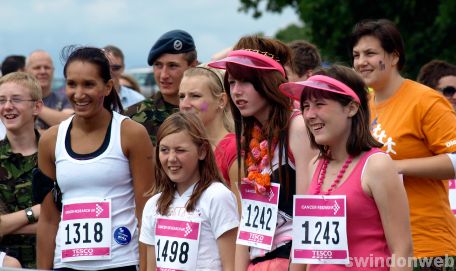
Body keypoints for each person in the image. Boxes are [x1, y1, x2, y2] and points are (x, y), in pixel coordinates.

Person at [280, 65, 412, 271]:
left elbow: (402, 251)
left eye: (319, 104)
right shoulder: (314, 164)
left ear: (351, 108)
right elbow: (302, 246)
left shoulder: (377, 165)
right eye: (305, 106)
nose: (309, 115)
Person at [350, 19, 456, 269]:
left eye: (370, 53)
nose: (360, 61)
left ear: (394, 56)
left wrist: (395, 167)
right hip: (378, 249)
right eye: (356, 55)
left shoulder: (426, 101)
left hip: (427, 248)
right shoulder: (361, 105)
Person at [35, 46, 154, 270]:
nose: (79, 94)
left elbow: (145, 211)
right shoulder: (51, 140)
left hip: (121, 263)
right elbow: (49, 219)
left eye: (88, 84)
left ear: (107, 87)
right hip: (66, 264)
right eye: (72, 84)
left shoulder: (132, 134)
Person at [209, 35, 316, 271]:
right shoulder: (253, 137)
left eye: (245, 82)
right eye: (232, 82)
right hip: (257, 260)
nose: (236, 92)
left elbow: (309, 211)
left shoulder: (297, 127)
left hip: (290, 259)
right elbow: (248, 219)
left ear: (268, 81)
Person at [140, 112, 239, 271]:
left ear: (202, 151)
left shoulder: (217, 196)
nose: (171, 158)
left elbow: (232, 266)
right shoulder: (153, 205)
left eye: (180, 150)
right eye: (164, 150)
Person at [0, 72, 43, 268]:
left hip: (55, 261)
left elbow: (66, 220)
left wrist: (10, 225)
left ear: (37, 106)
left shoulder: (57, 155)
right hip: (9, 264)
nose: (7, 106)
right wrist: (35, 212)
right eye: (1, 100)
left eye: (16, 99)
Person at [125, 29, 198, 145]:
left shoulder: (207, 110)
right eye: (158, 65)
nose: (163, 75)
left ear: (193, 66)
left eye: (172, 66)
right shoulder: (132, 118)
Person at [178, 65, 238, 187]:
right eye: (182, 96)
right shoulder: (181, 145)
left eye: (195, 96)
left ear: (221, 100)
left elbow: (240, 205)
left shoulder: (234, 149)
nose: (184, 104)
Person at [25, 50, 74, 130]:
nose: (43, 71)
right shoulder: (16, 99)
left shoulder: (65, 98)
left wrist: (32, 105)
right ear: (26, 71)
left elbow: (68, 123)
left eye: (47, 67)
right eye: (37, 68)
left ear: (53, 71)